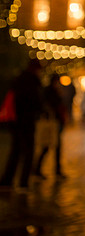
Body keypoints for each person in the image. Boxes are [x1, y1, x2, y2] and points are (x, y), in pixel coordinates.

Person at [0, 59, 44, 189]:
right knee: (28, 152)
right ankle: (23, 182)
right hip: (26, 121)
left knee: (16, 150)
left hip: (15, 121)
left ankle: (7, 180)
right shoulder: (32, 82)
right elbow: (34, 102)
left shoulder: (19, 79)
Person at [33, 74, 67, 179]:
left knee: (54, 147)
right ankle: (39, 170)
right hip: (52, 123)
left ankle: (53, 170)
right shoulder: (50, 91)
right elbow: (54, 105)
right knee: (49, 146)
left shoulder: (53, 91)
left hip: (56, 122)